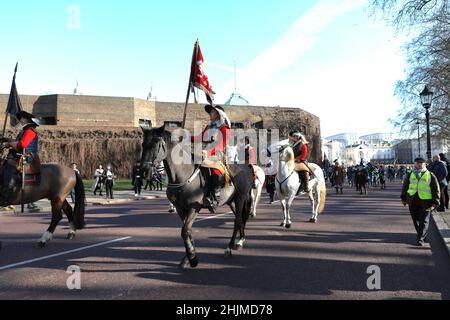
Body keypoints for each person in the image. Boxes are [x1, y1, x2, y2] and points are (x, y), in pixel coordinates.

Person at [191, 104, 231, 212]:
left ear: (218, 114)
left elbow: (220, 145)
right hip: (205, 152)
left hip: (217, 154)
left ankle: (215, 198)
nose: (210, 114)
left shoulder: (224, 128)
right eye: (210, 112)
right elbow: (199, 137)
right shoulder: (209, 126)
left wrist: (208, 152)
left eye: (212, 112)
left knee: (215, 170)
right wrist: (186, 138)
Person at [0, 111, 41, 207]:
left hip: (26, 156)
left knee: (9, 170)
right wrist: (6, 140)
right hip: (18, 155)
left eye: (21, 118)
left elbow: (22, 144)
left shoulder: (30, 131)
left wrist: (9, 144)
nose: (20, 120)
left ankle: (5, 198)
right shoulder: (25, 130)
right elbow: (18, 142)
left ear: (26, 119)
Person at [401, 157, 441, 246]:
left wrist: (436, 201)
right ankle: (422, 234)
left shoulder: (430, 175)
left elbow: (436, 189)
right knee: (416, 220)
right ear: (415, 164)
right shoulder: (410, 174)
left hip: (426, 202)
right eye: (417, 163)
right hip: (413, 201)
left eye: (421, 163)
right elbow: (405, 187)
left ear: (424, 164)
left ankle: (420, 239)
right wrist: (403, 199)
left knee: (424, 220)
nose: (419, 164)